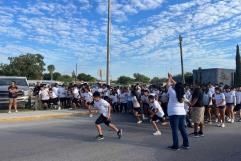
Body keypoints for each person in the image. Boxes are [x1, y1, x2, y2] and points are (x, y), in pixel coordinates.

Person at [166, 73, 190, 150]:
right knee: (182, 129)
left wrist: (169, 78)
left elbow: (167, 85)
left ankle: (176, 146)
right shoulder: (183, 94)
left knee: (175, 130)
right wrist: (171, 78)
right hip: (182, 113)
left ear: (175, 87)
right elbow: (178, 85)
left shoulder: (173, 92)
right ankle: (186, 144)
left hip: (173, 113)